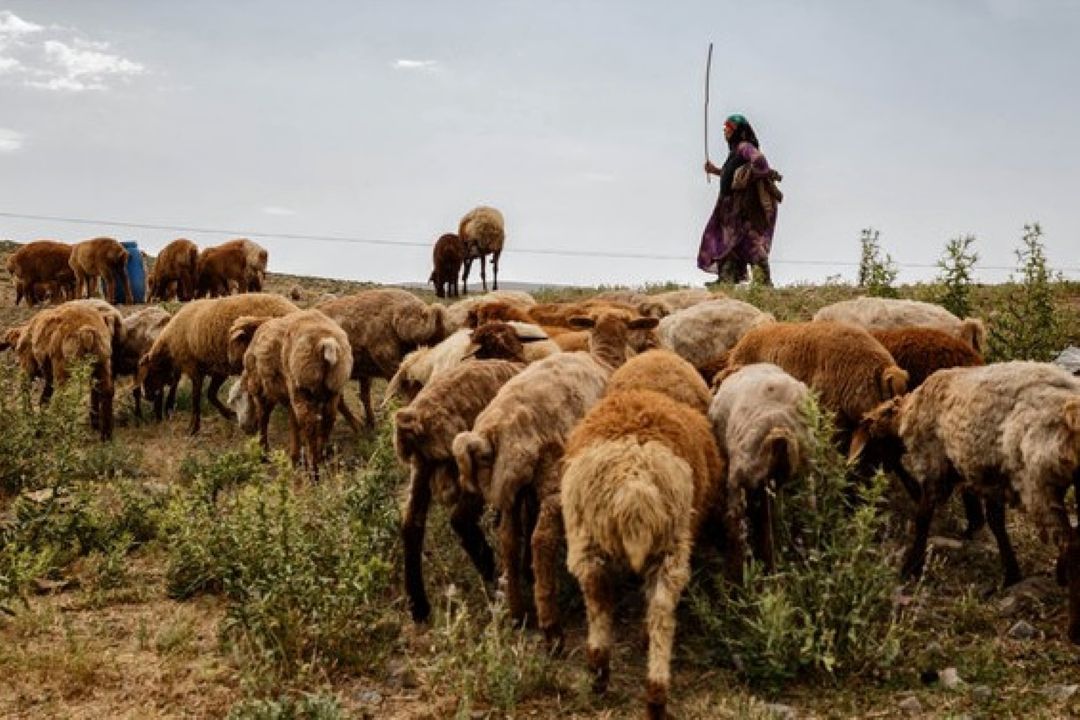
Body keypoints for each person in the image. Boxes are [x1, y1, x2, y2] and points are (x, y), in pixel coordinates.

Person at [697, 114, 782, 285]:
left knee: (751, 242)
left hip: (743, 208)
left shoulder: (744, 147)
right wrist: (715, 171)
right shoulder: (735, 152)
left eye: (729, 127)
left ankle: (764, 283)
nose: (725, 131)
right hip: (729, 208)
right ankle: (726, 280)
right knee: (727, 244)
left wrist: (757, 174)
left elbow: (759, 161)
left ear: (739, 131)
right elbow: (733, 175)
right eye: (724, 128)